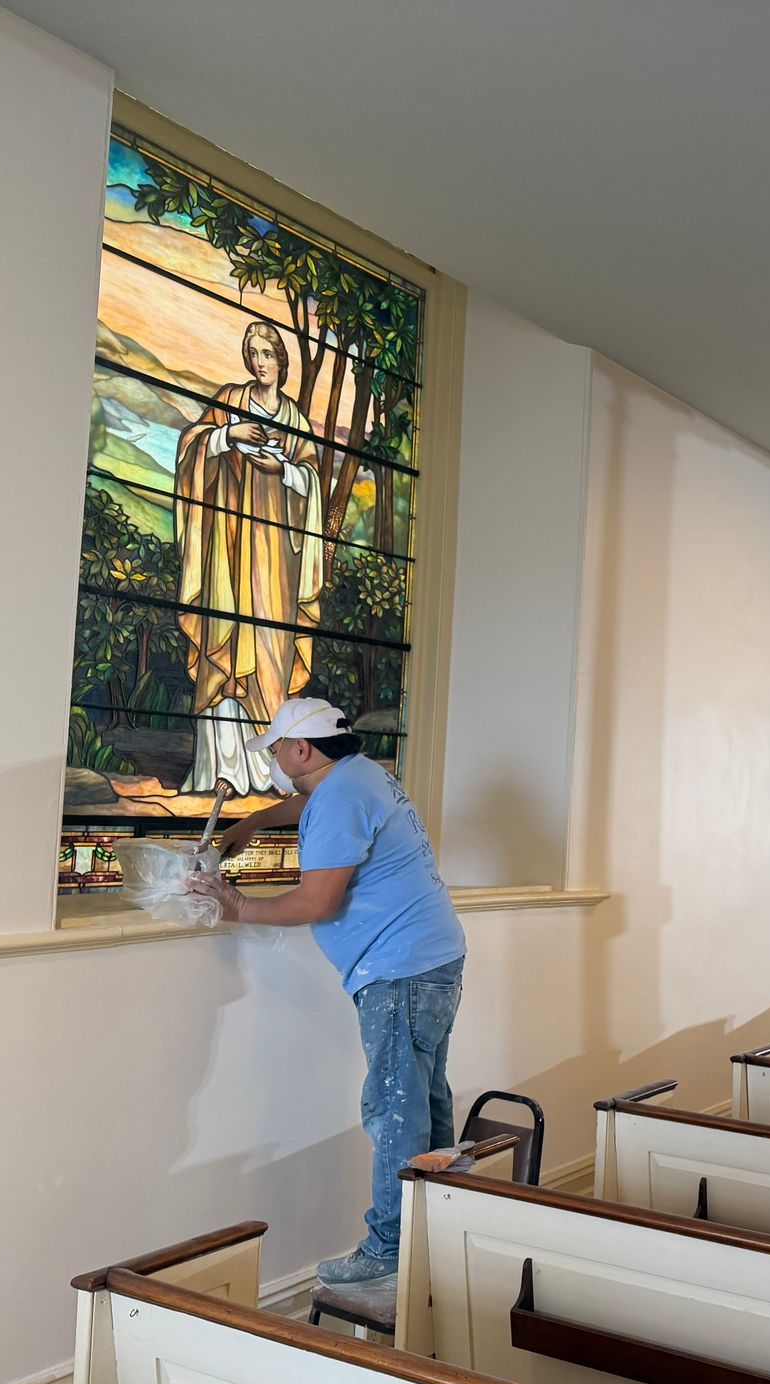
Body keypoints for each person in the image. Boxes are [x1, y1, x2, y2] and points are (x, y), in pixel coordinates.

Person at [186, 695, 466, 1287]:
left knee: (394, 1108)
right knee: (423, 1100)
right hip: (431, 958)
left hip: (400, 972)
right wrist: (249, 825)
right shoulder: (361, 775)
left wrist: (236, 906)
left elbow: (318, 902)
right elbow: (306, 804)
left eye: (279, 748)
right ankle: (438, 1228)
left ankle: (391, 1250)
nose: (276, 757)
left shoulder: (338, 796)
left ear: (302, 749)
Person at [173, 320, 326, 797]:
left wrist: (284, 470)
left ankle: (270, 772)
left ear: (281, 361)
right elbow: (190, 447)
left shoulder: (297, 421)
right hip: (231, 547)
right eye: (252, 352)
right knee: (227, 636)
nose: (259, 361)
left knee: (271, 651)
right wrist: (226, 435)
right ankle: (226, 767)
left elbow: (313, 481)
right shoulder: (230, 400)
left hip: (278, 559)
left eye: (267, 353)